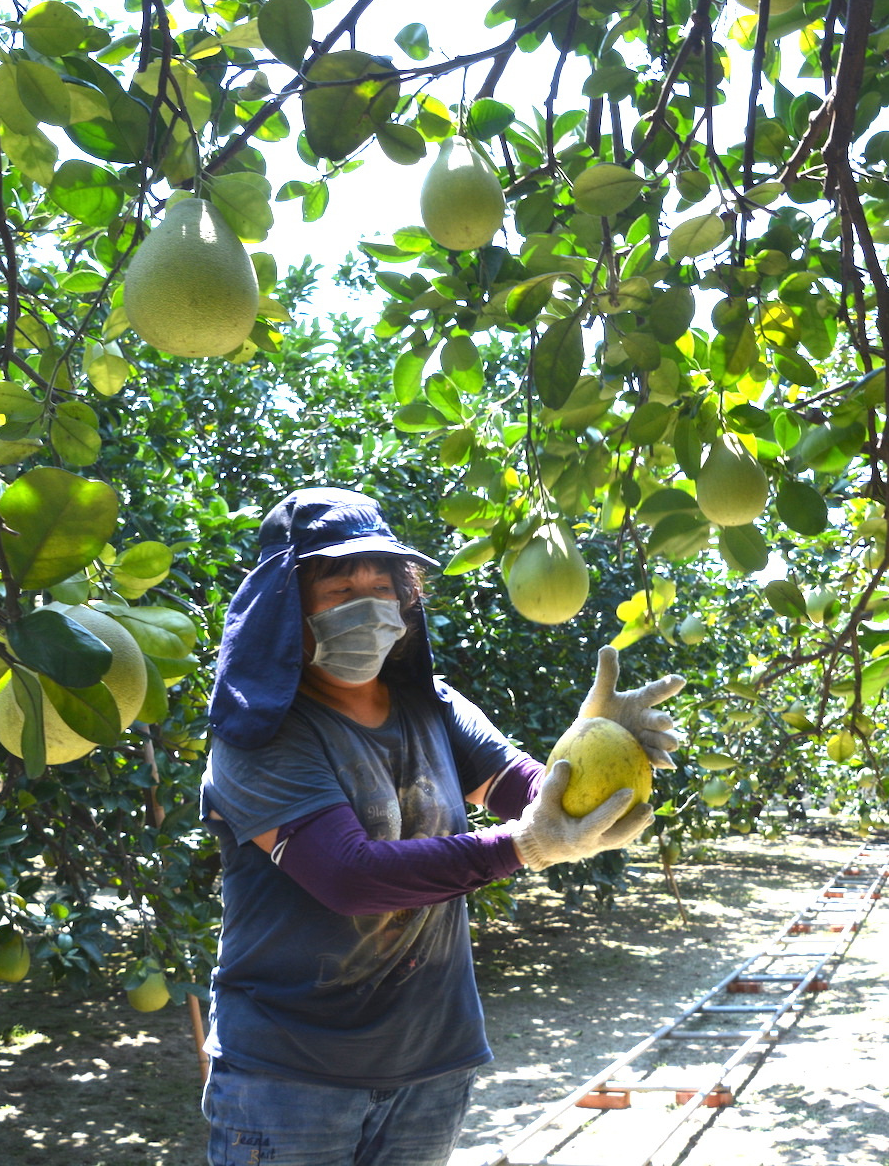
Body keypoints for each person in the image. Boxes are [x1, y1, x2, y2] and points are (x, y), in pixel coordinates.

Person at [198, 486, 684, 1166]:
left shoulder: (431, 706)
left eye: (383, 586)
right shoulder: (258, 734)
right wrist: (523, 848)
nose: (370, 608)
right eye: (340, 590)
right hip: (290, 1078)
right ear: (288, 608)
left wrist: (596, 741)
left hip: (432, 1062)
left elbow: (537, 799)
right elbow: (348, 875)